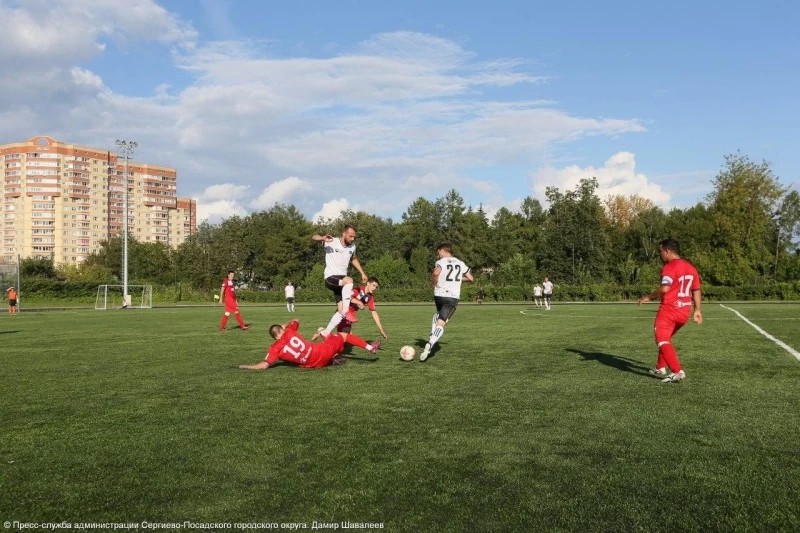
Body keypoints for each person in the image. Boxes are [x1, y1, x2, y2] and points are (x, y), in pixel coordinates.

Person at [637, 238, 702, 384]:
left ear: (667, 251)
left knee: (661, 338)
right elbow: (696, 290)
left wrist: (648, 296)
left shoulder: (670, 267)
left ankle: (677, 371)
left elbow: (665, 288)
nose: (660, 255)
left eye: (660, 252)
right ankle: (660, 367)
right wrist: (697, 310)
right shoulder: (691, 268)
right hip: (684, 312)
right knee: (666, 338)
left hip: (669, 310)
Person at [239, 319, 381, 370]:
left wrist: (245, 366)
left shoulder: (274, 348)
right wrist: (286, 324)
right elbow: (296, 319)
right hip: (323, 352)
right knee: (343, 336)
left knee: (324, 336)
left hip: (314, 365)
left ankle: (334, 357)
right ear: (282, 330)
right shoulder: (289, 331)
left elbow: (264, 365)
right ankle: (370, 348)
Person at [419, 242, 474, 362]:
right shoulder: (460, 263)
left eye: (438, 252)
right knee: (442, 322)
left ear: (442, 250)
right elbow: (471, 278)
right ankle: (431, 342)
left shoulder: (441, 262)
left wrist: (434, 283)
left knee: (438, 315)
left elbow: (435, 273)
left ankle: (433, 335)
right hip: (452, 297)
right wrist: (459, 279)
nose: (438, 254)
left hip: (439, 294)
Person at [311, 225, 368, 336]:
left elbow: (353, 259)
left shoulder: (352, 246)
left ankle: (326, 332)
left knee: (340, 311)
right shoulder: (332, 241)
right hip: (330, 277)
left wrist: (362, 273)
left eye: (354, 237)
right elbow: (314, 237)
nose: (352, 239)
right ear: (344, 233)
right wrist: (322, 238)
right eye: (350, 236)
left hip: (341, 283)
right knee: (349, 280)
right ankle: (347, 311)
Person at [314, 276, 388, 341]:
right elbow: (347, 297)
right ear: (368, 283)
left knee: (345, 337)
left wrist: (381, 330)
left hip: (350, 316)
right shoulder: (358, 289)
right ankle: (326, 336)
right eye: (373, 285)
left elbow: (374, 313)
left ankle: (323, 331)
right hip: (343, 312)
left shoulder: (370, 297)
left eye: (376, 287)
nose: (374, 288)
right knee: (344, 337)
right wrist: (359, 302)